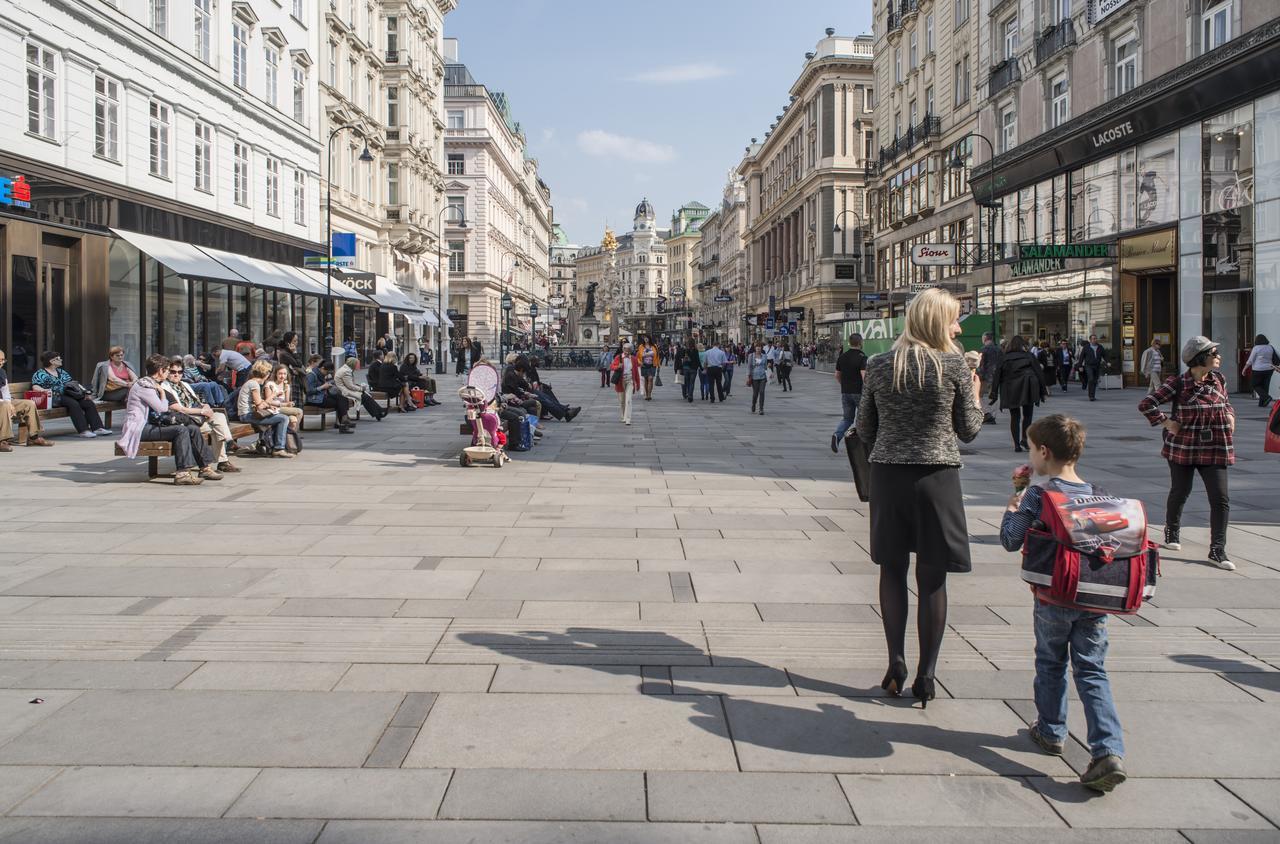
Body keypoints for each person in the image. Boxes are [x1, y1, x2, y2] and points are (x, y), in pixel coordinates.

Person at [855, 287, 984, 707]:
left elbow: (865, 427)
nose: (958, 326)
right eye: (953, 319)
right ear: (936, 322)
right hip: (937, 479)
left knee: (891, 570)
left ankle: (895, 661)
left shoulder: (879, 364)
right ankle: (927, 675)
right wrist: (977, 396)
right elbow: (968, 429)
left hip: (889, 478)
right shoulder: (953, 367)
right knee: (932, 577)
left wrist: (891, 447)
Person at [1000, 414, 1127, 793]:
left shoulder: (1039, 495)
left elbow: (1010, 539)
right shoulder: (1096, 492)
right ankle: (1108, 749)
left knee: (1051, 661)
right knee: (1092, 670)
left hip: (1054, 596)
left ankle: (1052, 730)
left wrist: (1014, 503)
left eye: (1030, 447)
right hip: (1093, 599)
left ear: (1044, 451)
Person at [1138, 335, 1236, 570]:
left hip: (1215, 446)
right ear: (1200, 358)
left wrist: (1231, 415)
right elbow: (1147, 404)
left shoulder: (1219, 379)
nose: (1218, 357)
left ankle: (1217, 549)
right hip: (1184, 446)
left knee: (1220, 498)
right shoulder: (1178, 383)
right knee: (1181, 490)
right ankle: (1172, 529)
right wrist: (1166, 422)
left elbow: (1226, 403)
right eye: (1214, 353)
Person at [119, 354, 220, 484]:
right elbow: (162, 408)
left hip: (153, 425)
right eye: (167, 370)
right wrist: (162, 393)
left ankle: (205, 467)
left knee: (193, 429)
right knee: (181, 430)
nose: (168, 373)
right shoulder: (145, 386)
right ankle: (182, 474)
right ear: (161, 370)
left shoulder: (152, 384)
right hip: (140, 428)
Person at [160, 359, 239, 473]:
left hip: (197, 417)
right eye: (173, 372)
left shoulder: (185, 384)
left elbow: (196, 401)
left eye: (180, 372)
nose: (177, 374)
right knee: (216, 428)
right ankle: (223, 459)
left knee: (219, 417)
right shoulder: (165, 387)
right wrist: (201, 412)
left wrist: (205, 406)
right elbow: (179, 409)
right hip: (185, 420)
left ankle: (229, 442)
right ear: (167, 372)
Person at [990, 335, 1048, 452]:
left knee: (1014, 417)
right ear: (1023, 345)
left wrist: (994, 392)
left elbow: (997, 376)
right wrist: (1042, 392)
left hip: (1011, 389)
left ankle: (1016, 444)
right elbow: (1039, 374)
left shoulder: (1005, 358)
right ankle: (1025, 440)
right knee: (1027, 416)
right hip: (1028, 388)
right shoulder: (1029, 356)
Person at [31, 351, 109, 438]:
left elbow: (72, 384)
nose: (61, 359)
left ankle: (98, 428)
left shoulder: (61, 371)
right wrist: (45, 390)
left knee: (87, 402)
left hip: (69, 394)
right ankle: (83, 430)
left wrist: (84, 393)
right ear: (52, 361)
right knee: (73, 404)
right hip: (55, 397)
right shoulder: (40, 373)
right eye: (58, 358)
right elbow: (35, 386)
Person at [237, 359, 294, 458]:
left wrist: (269, 405)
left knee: (278, 417)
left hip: (246, 414)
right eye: (269, 372)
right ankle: (279, 448)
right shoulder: (254, 385)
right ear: (266, 373)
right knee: (284, 418)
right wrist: (273, 395)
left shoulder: (251, 382)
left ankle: (271, 445)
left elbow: (258, 403)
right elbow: (260, 406)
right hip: (247, 415)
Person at [0, 349, 52, 450]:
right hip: (2, 404)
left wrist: (9, 402)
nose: (1, 362)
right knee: (5, 405)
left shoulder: (2, 372)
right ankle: (2, 440)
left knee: (29, 404)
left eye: (3, 360)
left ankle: (34, 437)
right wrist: (6, 403)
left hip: (4, 403)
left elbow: (5, 391)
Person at [831, 333, 867, 452]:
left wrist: (844, 384)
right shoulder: (862, 357)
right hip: (859, 392)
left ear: (850, 343)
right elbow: (864, 376)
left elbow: (837, 375)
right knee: (863, 417)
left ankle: (837, 435)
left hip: (845, 392)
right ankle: (861, 443)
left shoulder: (843, 356)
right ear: (860, 342)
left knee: (847, 418)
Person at [304, 356, 356, 433]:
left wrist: (328, 385)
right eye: (327, 372)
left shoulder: (320, 374)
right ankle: (343, 423)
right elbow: (309, 391)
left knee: (342, 398)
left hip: (322, 396)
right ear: (322, 368)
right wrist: (322, 387)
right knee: (340, 402)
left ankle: (343, 422)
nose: (327, 374)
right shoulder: (312, 375)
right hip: (314, 399)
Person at [335, 356, 388, 421]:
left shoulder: (346, 369)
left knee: (365, 395)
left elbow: (350, 384)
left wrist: (360, 387)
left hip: (346, 389)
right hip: (345, 391)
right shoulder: (346, 371)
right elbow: (350, 386)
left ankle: (378, 412)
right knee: (364, 396)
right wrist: (361, 389)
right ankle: (378, 412)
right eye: (356, 364)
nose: (357, 366)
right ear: (353, 364)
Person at [265, 363, 305, 436]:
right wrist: (283, 404)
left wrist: (290, 402)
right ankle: (293, 435)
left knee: (293, 420)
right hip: (273, 409)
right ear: (275, 374)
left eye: (284, 374)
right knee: (299, 411)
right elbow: (268, 402)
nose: (282, 376)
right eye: (280, 374)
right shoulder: (270, 384)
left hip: (283, 409)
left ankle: (288, 438)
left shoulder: (286, 385)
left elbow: (287, 402)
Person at [1242, 333, 1279, 407]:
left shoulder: (1256, 348)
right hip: (1269, 369)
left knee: (1254, 384)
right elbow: (1278, 355)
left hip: (1258, 369)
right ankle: (1262, 403)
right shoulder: (1270, 347)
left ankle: (1266, 397)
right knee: (1265, 385)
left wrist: (1244, 369)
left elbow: (1250, 360)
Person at [610, 341, 640, 425]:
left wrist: (637, 383)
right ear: (623, 350)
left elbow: (636, 372)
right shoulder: (618, 357)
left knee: (629, 400)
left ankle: (628, 419)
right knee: (622, 401)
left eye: (628, 350)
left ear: (631, 351)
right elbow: (612, 366)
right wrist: (617, 366)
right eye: (625, 350)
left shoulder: (633, 359)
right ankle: (623, 416)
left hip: (630, 380)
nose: (627, 352)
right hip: (620, 381)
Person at [978, 332, 1000, 425]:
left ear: (985, 339)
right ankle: (993, 415)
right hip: (997, 376)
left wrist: (979, 375)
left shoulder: (984, 349)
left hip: (986, 376)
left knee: (978, 394)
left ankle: (987, 413)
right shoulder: (998, 350)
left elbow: (982, 365)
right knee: (994, 396)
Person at [1079, 334, 1107, 401]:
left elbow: (1105, 355)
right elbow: (1081, 357)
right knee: (1091, 379)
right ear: (1090, 340)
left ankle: (1092, 395)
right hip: (1088, 365)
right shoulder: (1086, 347)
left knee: (1094, 381)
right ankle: (1090, 396)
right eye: (1093, 339)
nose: (1095, 340)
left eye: (1095, 338)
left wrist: (1107, 362)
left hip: (1097, 365)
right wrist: (1080, 366)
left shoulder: (1100, 347)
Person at [746, 340, 770, 415]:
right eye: (757, 348)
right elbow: (749, 367)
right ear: (755, 348)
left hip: (763, 376)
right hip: (754, 377)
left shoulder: (764, 356)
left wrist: (769, 368)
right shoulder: (751, 356)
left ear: (761, 348)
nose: (758, 349)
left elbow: (765, 366)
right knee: (755, 393)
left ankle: (761, 409)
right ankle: (753, 404)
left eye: (759, 348)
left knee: (762, 392)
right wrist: (748, 376)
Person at [676, 339, 701, 403]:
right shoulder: (695, 351)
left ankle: (687, 394)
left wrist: (679, 368)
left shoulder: (685, 350)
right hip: (693, 369)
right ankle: (690, 395)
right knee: (692, 383)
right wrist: (701, 368)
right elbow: (698, 360)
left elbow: (681, 359)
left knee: (687, 382)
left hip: (686, 368)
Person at [637, 335, 661, 400]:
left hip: (652, 365)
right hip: (644, 365)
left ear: (649, 339)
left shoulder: (654, 346)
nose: (646, 339)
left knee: (650, 378)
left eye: (647, 338)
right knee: (646, 380)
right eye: (645, 338)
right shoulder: (641, 346)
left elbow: (657, 356)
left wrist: (658, 365)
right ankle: (647, 394)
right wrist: (640, 362)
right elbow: (638, 356)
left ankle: (649, 395)